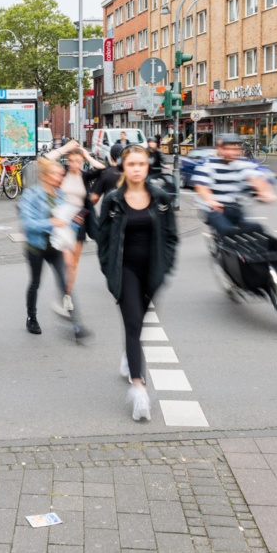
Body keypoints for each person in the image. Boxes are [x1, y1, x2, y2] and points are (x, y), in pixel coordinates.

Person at [91, 144, 179, 422]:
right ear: (123, 167)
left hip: (152, 271)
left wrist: (163, 268)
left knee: (138, 323)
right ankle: (138, 387)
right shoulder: (114, 200)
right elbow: (103, 240)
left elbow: (171, 238)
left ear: (148, 165)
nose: (137, 169)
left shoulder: (162, 198)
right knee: (132, 323)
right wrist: (109, 270)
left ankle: (130, 359)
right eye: (132, 165)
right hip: (124, 269)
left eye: (141, 164)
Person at [18, 156, 88, 339]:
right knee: (35, 282)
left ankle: (76, 323)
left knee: (65, 283)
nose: (61, 178)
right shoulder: (31, 195)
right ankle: (31, 318)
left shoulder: (61, 195)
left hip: (55, 246)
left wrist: (75, 222)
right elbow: (28, 224)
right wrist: (51, 223)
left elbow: (65, 221)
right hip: (36, 246)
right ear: (46, 176)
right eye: (58, 174)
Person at [48, 139, 102, 317]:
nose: (74, 164)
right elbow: (47, 159)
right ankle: (65, 292)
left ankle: (67, 295)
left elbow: (102, 169)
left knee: (74, 264)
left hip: (79, 223)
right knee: (66, 262)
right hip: (62, 222)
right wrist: (66, 149)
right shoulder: (61, 174)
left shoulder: (85, 176)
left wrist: (85, 153)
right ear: (67, 160)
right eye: (71, 161)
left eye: (77, 161)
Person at [193, 133, 277, 234]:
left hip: (236, 208)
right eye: (227, 149)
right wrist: (211, 201)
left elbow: (256, 178)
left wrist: (265, 192)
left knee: (256, 230)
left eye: (235, 149)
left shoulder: (243, 164)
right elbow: (202, 186)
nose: (231, 152)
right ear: (219, 149)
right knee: (227, 231)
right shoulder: (208, 164)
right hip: (216, 210)